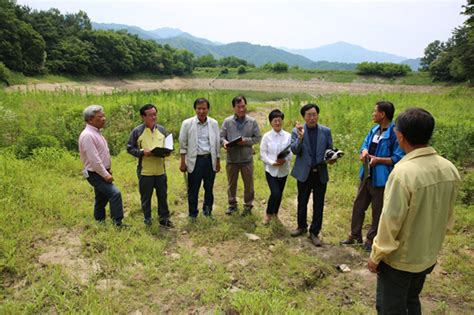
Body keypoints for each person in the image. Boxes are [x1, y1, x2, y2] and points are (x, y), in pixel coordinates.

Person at [367, 108, 460, 314]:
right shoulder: (449, 168)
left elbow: (390, 221)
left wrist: (376, 255)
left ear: (400, 136)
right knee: (411, 299)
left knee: (390, 307)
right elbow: (448, 215)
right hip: (427, 255)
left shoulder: (403, 173)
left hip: (401, 260)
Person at [341, 101, 404, 252]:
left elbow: (398, 157)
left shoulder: (395, 133)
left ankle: (371, 239)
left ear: (382, 114)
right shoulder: (374, 129)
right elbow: (364, 144)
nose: (373, 114)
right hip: (367, 174)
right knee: (358, 206)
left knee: (378, 210)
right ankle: (355, 235)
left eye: (375, 111)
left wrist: (379, 160)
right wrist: (364, 152)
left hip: (382, 179)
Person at [290, 103, 335, 247]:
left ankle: (314, 232)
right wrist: (301, 137)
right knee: (302, 201)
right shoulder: (296, 131)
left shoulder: (326, 131)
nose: (312, 118)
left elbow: (329, 150)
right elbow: (295, 150)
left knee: (319, 203)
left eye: (314, 114)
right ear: (304, 116)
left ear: (317, 115)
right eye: (309, 115)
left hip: (320, 172)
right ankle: (301, 226)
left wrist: (332, 158)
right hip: (304, 173)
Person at [127, 103, 173, 228]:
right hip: (145, 171)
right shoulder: (137, 131)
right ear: (143, 117)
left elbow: (168, 147)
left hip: (160, 171)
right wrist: (142, 152)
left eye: (155, 114)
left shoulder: (162, 130)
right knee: (146, 197)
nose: (153, 117)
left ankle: (164, 218)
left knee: (162, 195)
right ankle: (147, 219)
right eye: (150, 115)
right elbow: (130, 148)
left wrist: (167, 152)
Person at [78, 105, 125, 227]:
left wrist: (107, 169)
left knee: (101, 198)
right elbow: (94, 160)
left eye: (104, 115)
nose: (104, 118)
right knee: (115, 194)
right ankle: (117, 223)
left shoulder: (96, 133)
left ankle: (100, 222)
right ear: (90, 119)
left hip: (101, 171)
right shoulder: (88, 135)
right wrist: (105, 174)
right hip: (96, 173)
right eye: (100, 117)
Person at [179, 98, 221, 219]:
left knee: (209, 188)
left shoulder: (213, 123)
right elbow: (183, 144)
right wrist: (183, 162)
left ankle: (207, 212)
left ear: (208, 109)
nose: (201, 111)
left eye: (204, 108)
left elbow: (217, 143)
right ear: (195, 109)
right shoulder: (187, 124)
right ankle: (192, 213)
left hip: (209, 159)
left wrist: (217, 161)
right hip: (195, 160)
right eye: (199, 108)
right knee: (193, 188)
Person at [220, 95, 261, 216]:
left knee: (249, 184)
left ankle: (248, 206)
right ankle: (232, 205)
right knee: (231, 183)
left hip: (246, 158)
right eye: (238, 107)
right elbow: (221, 136)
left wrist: (246, 142)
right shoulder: (227, 122)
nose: (241, 109)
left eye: (243, 106)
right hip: (231, 159)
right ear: (234, 108)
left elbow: (257, 138)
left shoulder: (252, 122)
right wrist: (225, 143)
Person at [260, 109, 292, 224]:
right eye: (275, 121)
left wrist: (285, 160)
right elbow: (263, 154)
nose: (277, 123)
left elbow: (291, 152)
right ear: (271, 122)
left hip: (283, 170)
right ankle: (268, 214)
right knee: (275, 193)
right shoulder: (267, 136)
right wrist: (272, 162)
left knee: (280, 193)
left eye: (279, 120)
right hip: (271, 170)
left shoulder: (288, 136)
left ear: (282, 121)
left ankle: (275, 213)